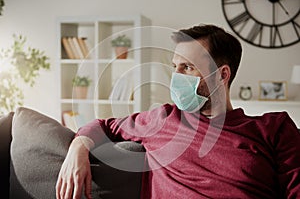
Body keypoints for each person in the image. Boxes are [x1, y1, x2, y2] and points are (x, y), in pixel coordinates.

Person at [56, 24, 300, 199]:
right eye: (175, 67)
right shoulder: (163, 119)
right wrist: (78, 148)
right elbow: (103, 125)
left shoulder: (274, 128)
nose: (176, 77)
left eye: (187, 67)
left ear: (222, 75)